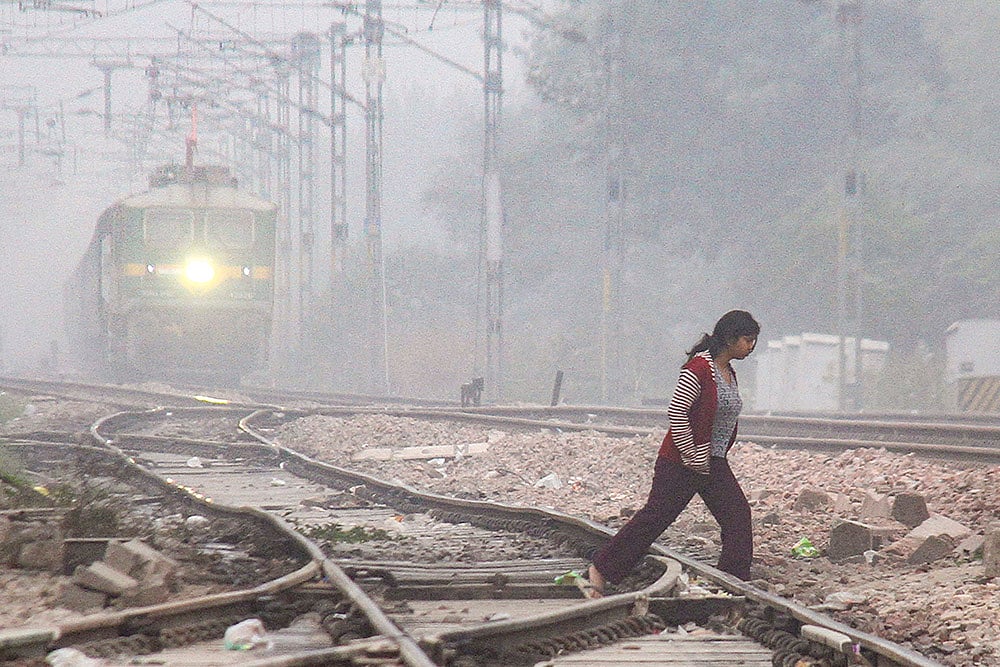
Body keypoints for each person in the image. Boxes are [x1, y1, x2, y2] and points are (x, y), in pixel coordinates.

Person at [584, 310, 760, 598]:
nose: (751, 346)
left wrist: (707, 456)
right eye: (747, 340)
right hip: (680, 463)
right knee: (655, 518)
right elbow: (677, 412)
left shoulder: (729, 372)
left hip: (713, 461)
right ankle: (601, 569)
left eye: (753, 341)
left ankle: (733, 582)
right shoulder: (698, 369)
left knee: (737, 515)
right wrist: (690, 454)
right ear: (730, 339)